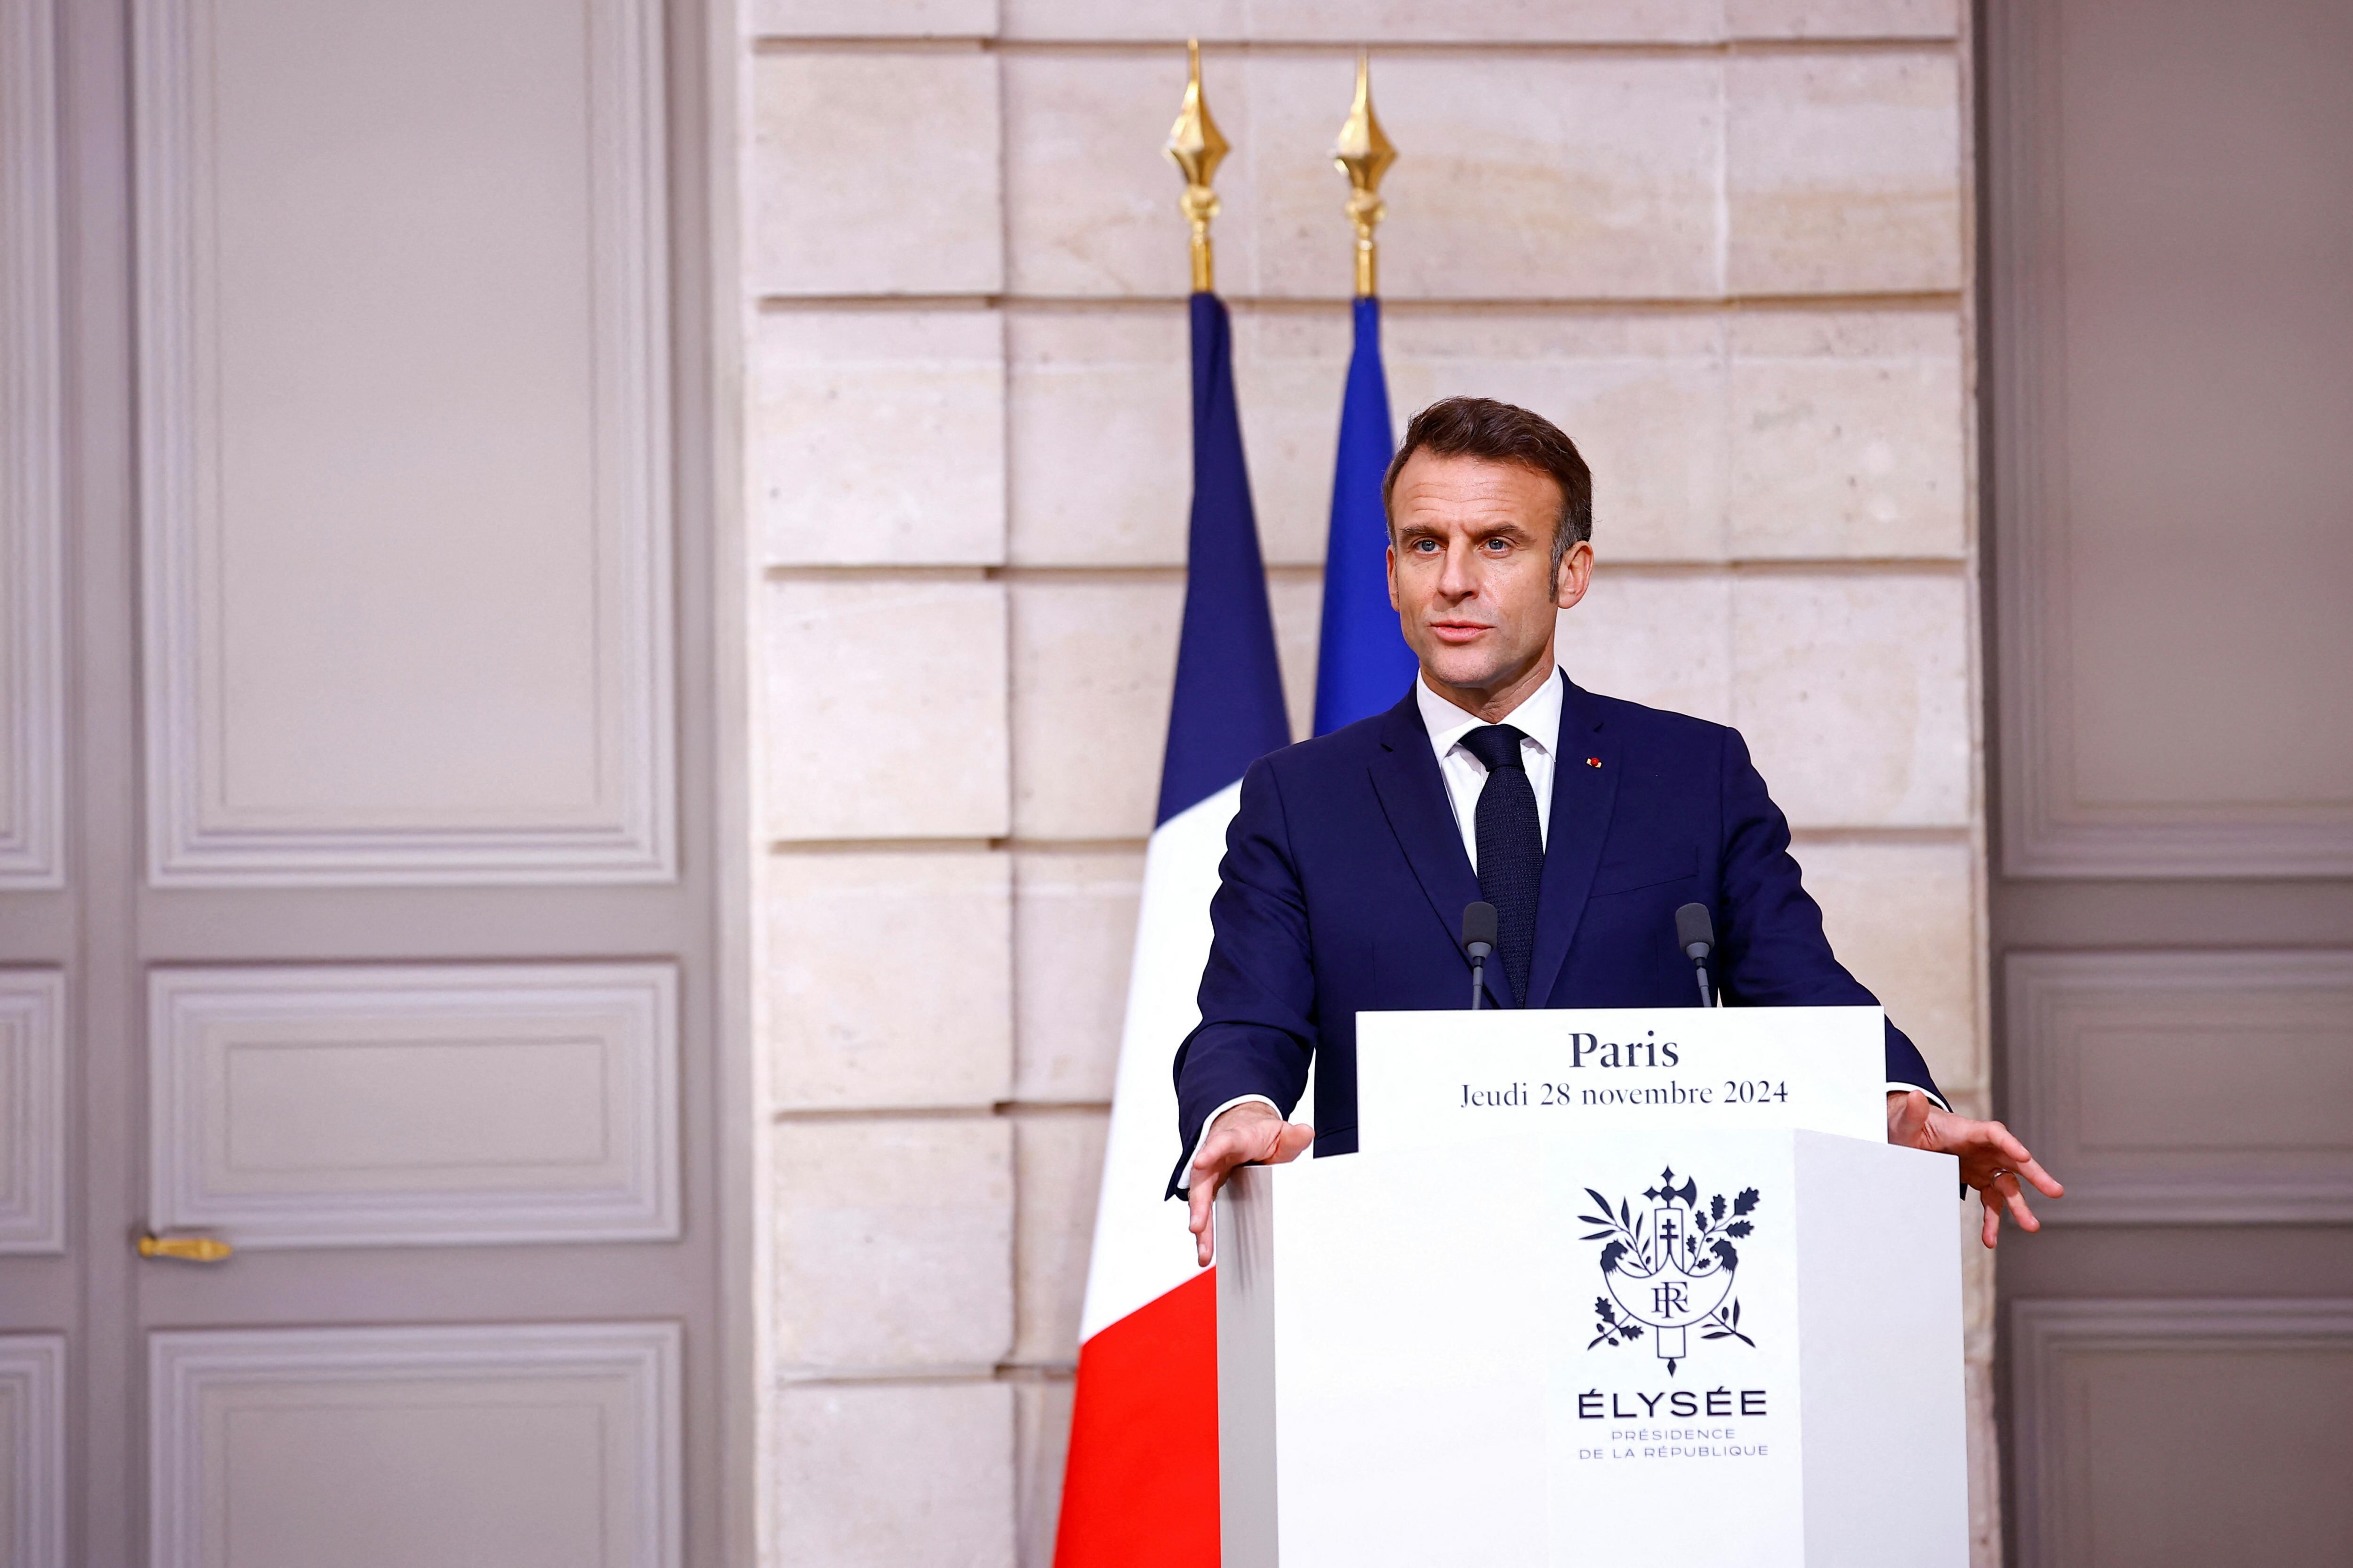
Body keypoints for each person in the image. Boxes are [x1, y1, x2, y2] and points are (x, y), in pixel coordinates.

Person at [1171, 396, 2061, 1264]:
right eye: (1425, 544)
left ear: (1572, 572)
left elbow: (1799, 986)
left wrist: (1902, 1102)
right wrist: (1238, 1110)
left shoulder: (1692, 776)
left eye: (1498, 544)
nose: (1453, 580)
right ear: (1394, 572)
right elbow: (1248, 1017)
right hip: (1406, 1273)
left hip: (1644, 1265)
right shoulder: (1301, 796)